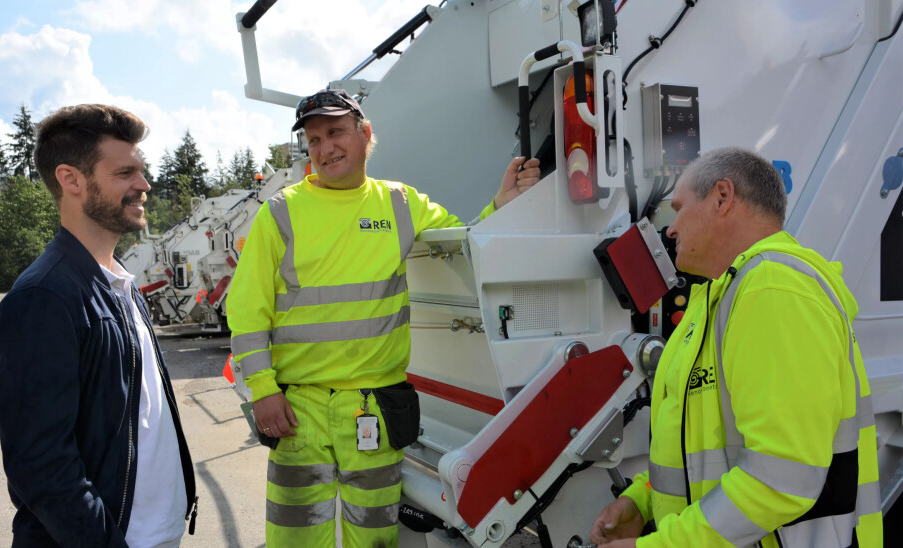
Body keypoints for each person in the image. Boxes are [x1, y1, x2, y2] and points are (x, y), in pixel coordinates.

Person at [226, 88, 541, 548]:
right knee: (295, 537)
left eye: (335, 132)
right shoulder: (281, 212)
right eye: (313, 140)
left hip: (372, 409)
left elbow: (460, 244)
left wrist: (500, 206)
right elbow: (247, 310)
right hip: (298, 410)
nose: (324, 148)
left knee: (373, 538)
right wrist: (264, 392)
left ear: (364, 133)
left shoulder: (400, 204)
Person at [589, 147, 882, 547]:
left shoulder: (774, 289)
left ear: (723, 197)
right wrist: (642, 500)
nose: (670, 229)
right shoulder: (718, 297)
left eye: (678, 209)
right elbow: (701, 442)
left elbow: (780, 478)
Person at [0, 104, 197, 547]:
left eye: (140, 171)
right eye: (125, 173)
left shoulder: (119, 281)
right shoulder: (44, 298)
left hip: (156, 533)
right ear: (72, 180)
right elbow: (41, 466)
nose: (143, 185)